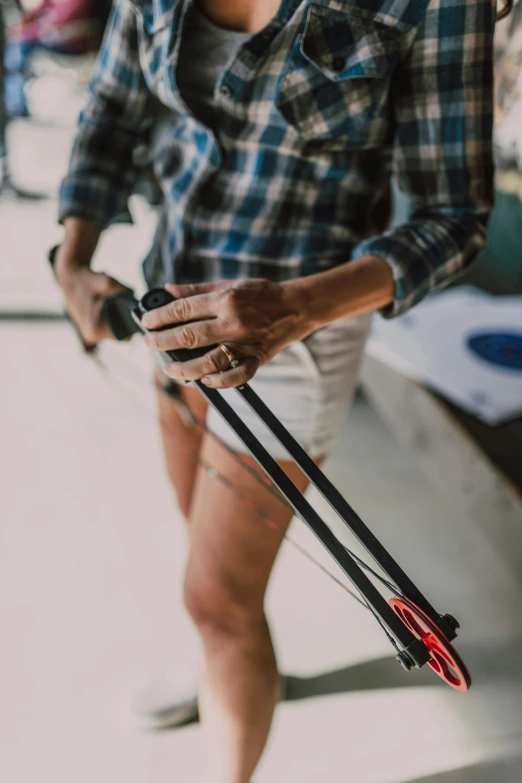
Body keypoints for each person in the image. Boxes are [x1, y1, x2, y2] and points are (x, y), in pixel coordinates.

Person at [54, 0, 503, 780]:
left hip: (301, 326)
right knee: (202, 547)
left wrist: (294, 305)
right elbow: (116, 105)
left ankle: (222, 661)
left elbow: (454, 215)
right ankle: (219, 661)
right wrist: (75, 248)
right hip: (170, 301)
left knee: (216, 598)